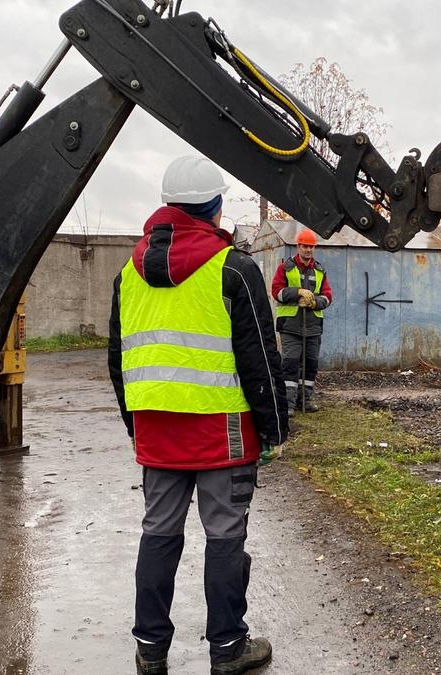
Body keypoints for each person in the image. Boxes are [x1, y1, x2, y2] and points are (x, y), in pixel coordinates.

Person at [108, 155, 289, 675]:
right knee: (226, 537)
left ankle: (150, 649)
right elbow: (259, 357)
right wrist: (275, 428)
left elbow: (117, 360)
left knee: (159, 535)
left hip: (158, 432)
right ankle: (228, 649)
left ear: (166, 206)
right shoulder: (233, 268)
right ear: (214, 207)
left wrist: (135, 423)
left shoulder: (128, 273)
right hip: (222, 433)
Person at [270, 229, 333, 413]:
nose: (307, 250)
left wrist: (315, 302)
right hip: (290, 325)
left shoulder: (320, 270)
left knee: (310, 364)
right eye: (304, 246)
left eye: (311, 246)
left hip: (313, 326)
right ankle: (287, 403)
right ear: (298, 247)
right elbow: (277, 292)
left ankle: (305, 400)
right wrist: (297, 292)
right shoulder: (285, 268)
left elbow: (328, 296)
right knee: (290, 363)